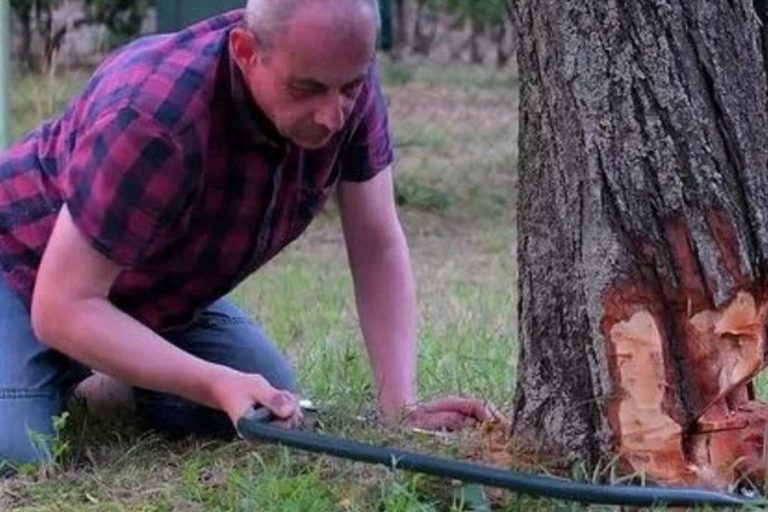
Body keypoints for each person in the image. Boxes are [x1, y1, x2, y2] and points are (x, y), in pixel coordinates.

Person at [0, 0, 495, 466]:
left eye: (349, 88)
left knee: (270, 408)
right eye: (306, 89)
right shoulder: (154, 116)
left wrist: (401, 405)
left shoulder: (340, 80)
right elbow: (61, 305)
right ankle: (54, 370)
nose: (331, 115)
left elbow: (378, 245)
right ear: (245, 52)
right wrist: (214, 381)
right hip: (21, 264)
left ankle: (99, 378)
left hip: (149, 288)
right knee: (21, 452)